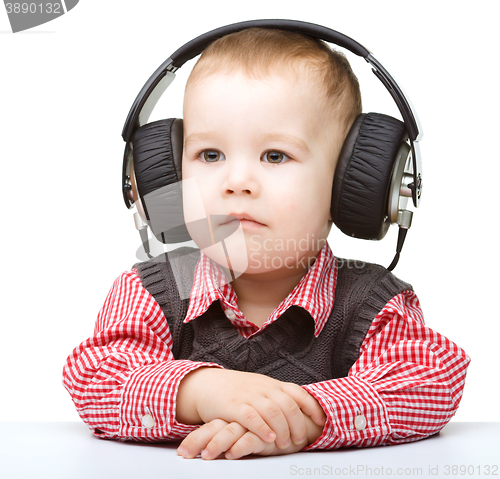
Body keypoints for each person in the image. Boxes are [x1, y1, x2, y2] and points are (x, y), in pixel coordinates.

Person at [62, 27, 470, 461]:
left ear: (351, 187)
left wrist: (304, 417)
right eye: (210, 155)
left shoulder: (372, 302)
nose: (237, 183)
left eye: (275, 156)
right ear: (164, 180)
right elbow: (94, 376)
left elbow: (430, 378)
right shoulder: (152, 290)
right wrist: (200, 390)